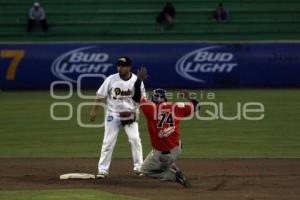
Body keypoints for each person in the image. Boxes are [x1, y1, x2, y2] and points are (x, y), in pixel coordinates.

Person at [132, 67, 199, 188]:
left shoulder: (150, 108)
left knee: (145, 170)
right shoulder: (176, 107)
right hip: (177, 148)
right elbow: (197, 106)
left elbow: (136, 96)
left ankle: (173, 175)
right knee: (169, 145)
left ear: (153, 99)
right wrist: (189, 96)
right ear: (165, 99)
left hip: (162, 155)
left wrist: (139, 80)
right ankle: (172, 167)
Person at [90, 56, 145, 178]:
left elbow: (142, 99)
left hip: (130, 115)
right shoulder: (111, 79)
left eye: (123, 66)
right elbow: (100, 95)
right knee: (108, 142)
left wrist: (136, 113)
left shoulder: (137, 81)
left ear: (129, 67)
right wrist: (94, 111)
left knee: (135, 139)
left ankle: (139, 167)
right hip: (113, 114)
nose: (120, 68)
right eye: (118, 65)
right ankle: (103, 170)